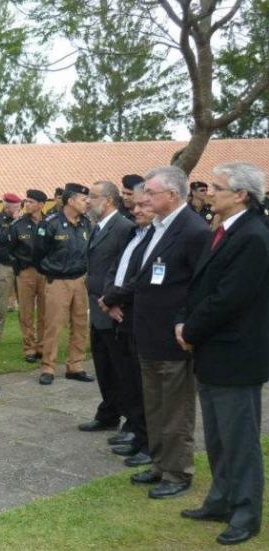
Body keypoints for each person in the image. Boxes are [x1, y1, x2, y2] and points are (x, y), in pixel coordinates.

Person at [175, 162, 268, 546]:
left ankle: (246, 513)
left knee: (240, 440)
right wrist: (184, 321)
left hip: (235, 356)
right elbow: (200, 289)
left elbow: (229, 299)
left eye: (217, 187)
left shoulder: (254, 237)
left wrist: (191, 330)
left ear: (242, 196)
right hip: (213, 352)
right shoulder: (226, 231)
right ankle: (221, 499)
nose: (209, 193)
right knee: (216, 437)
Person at [127, 166, 210, 500]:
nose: (143, 199)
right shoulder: (158, 227)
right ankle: (161, 464)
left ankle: (178, 472)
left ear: (173, 195)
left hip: (173, 337)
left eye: (150, 193)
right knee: (156, 405)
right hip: (148, 333)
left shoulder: (193, 230)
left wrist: (184, 323)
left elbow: (199, 285)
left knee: (176, 409)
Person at [100, 189, 156, 468]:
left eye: (144, 206)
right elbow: (116, 268)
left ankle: (146, 439)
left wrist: (114, 299)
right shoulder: (135, 234)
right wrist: (108, 298)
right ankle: (136, 431)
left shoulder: (155, 239)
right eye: (136, 205)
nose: (136, 210)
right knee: (129, 380)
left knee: (140, 381)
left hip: (134, 314)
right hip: (118, 312)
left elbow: (142, 278)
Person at [77, 181, 134, 435]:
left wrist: (114, 301)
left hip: (112, 309)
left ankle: (132, 420)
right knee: (103, 365)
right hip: (97, 307)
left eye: (93, 196)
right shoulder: (98, 226)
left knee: (121, 368)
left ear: (109, 200)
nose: (87, 200)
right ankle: (109, 413)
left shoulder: (124, 228)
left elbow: (127, 269)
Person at [34, 182, 94, 385]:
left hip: (80, 281)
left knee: (80, 324)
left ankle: (75, 366)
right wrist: (51, 271)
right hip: (57, 281)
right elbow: (38, 253)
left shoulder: (86, 223)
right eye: (84, 199)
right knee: (54, 325)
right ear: (71, 201)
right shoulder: (50, 223)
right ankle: (48, 367)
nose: (88, 203)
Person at [10, 189, 47, 363]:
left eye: (31, 202)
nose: (27, 204)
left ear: (41, 205)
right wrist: (18, 267)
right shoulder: (18, 225)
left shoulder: (50, 222)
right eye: (26, 201)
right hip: (26, 272)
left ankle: (42, 346)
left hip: (46, 272)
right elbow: (9, 250)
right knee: (26, 312)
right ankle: (29, 348)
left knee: (45, 312)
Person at [0, 192, 21, 348]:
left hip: (21, 267)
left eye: (19, 206)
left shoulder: (23, 220)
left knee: (26, 306)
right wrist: (14, 223)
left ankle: (30, 338)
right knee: (1, 305)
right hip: (4, 266)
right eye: (15, 207)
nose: (18, 209)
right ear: (6, 206)